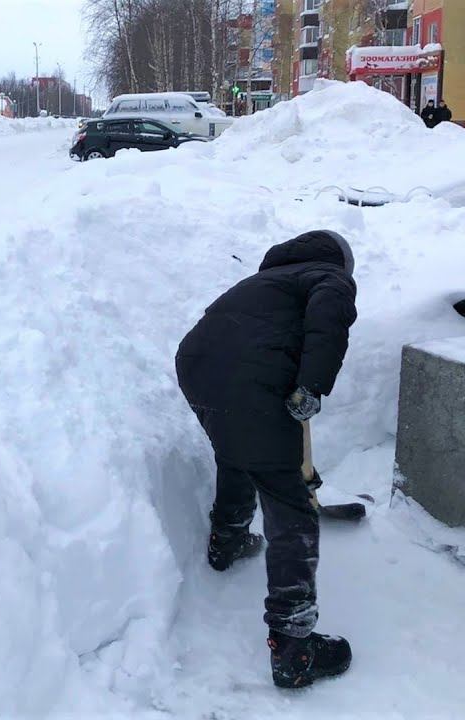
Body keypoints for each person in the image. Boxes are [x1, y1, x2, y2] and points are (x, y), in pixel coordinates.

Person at [175, 230, 358, 689]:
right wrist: (312, 385)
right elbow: (328, 319)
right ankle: (295, 646)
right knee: (288, 503)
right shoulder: (329, 276)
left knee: (236, 452)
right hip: (251, 379)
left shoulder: (263, 282)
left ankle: (228, 538)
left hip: (197, 369)